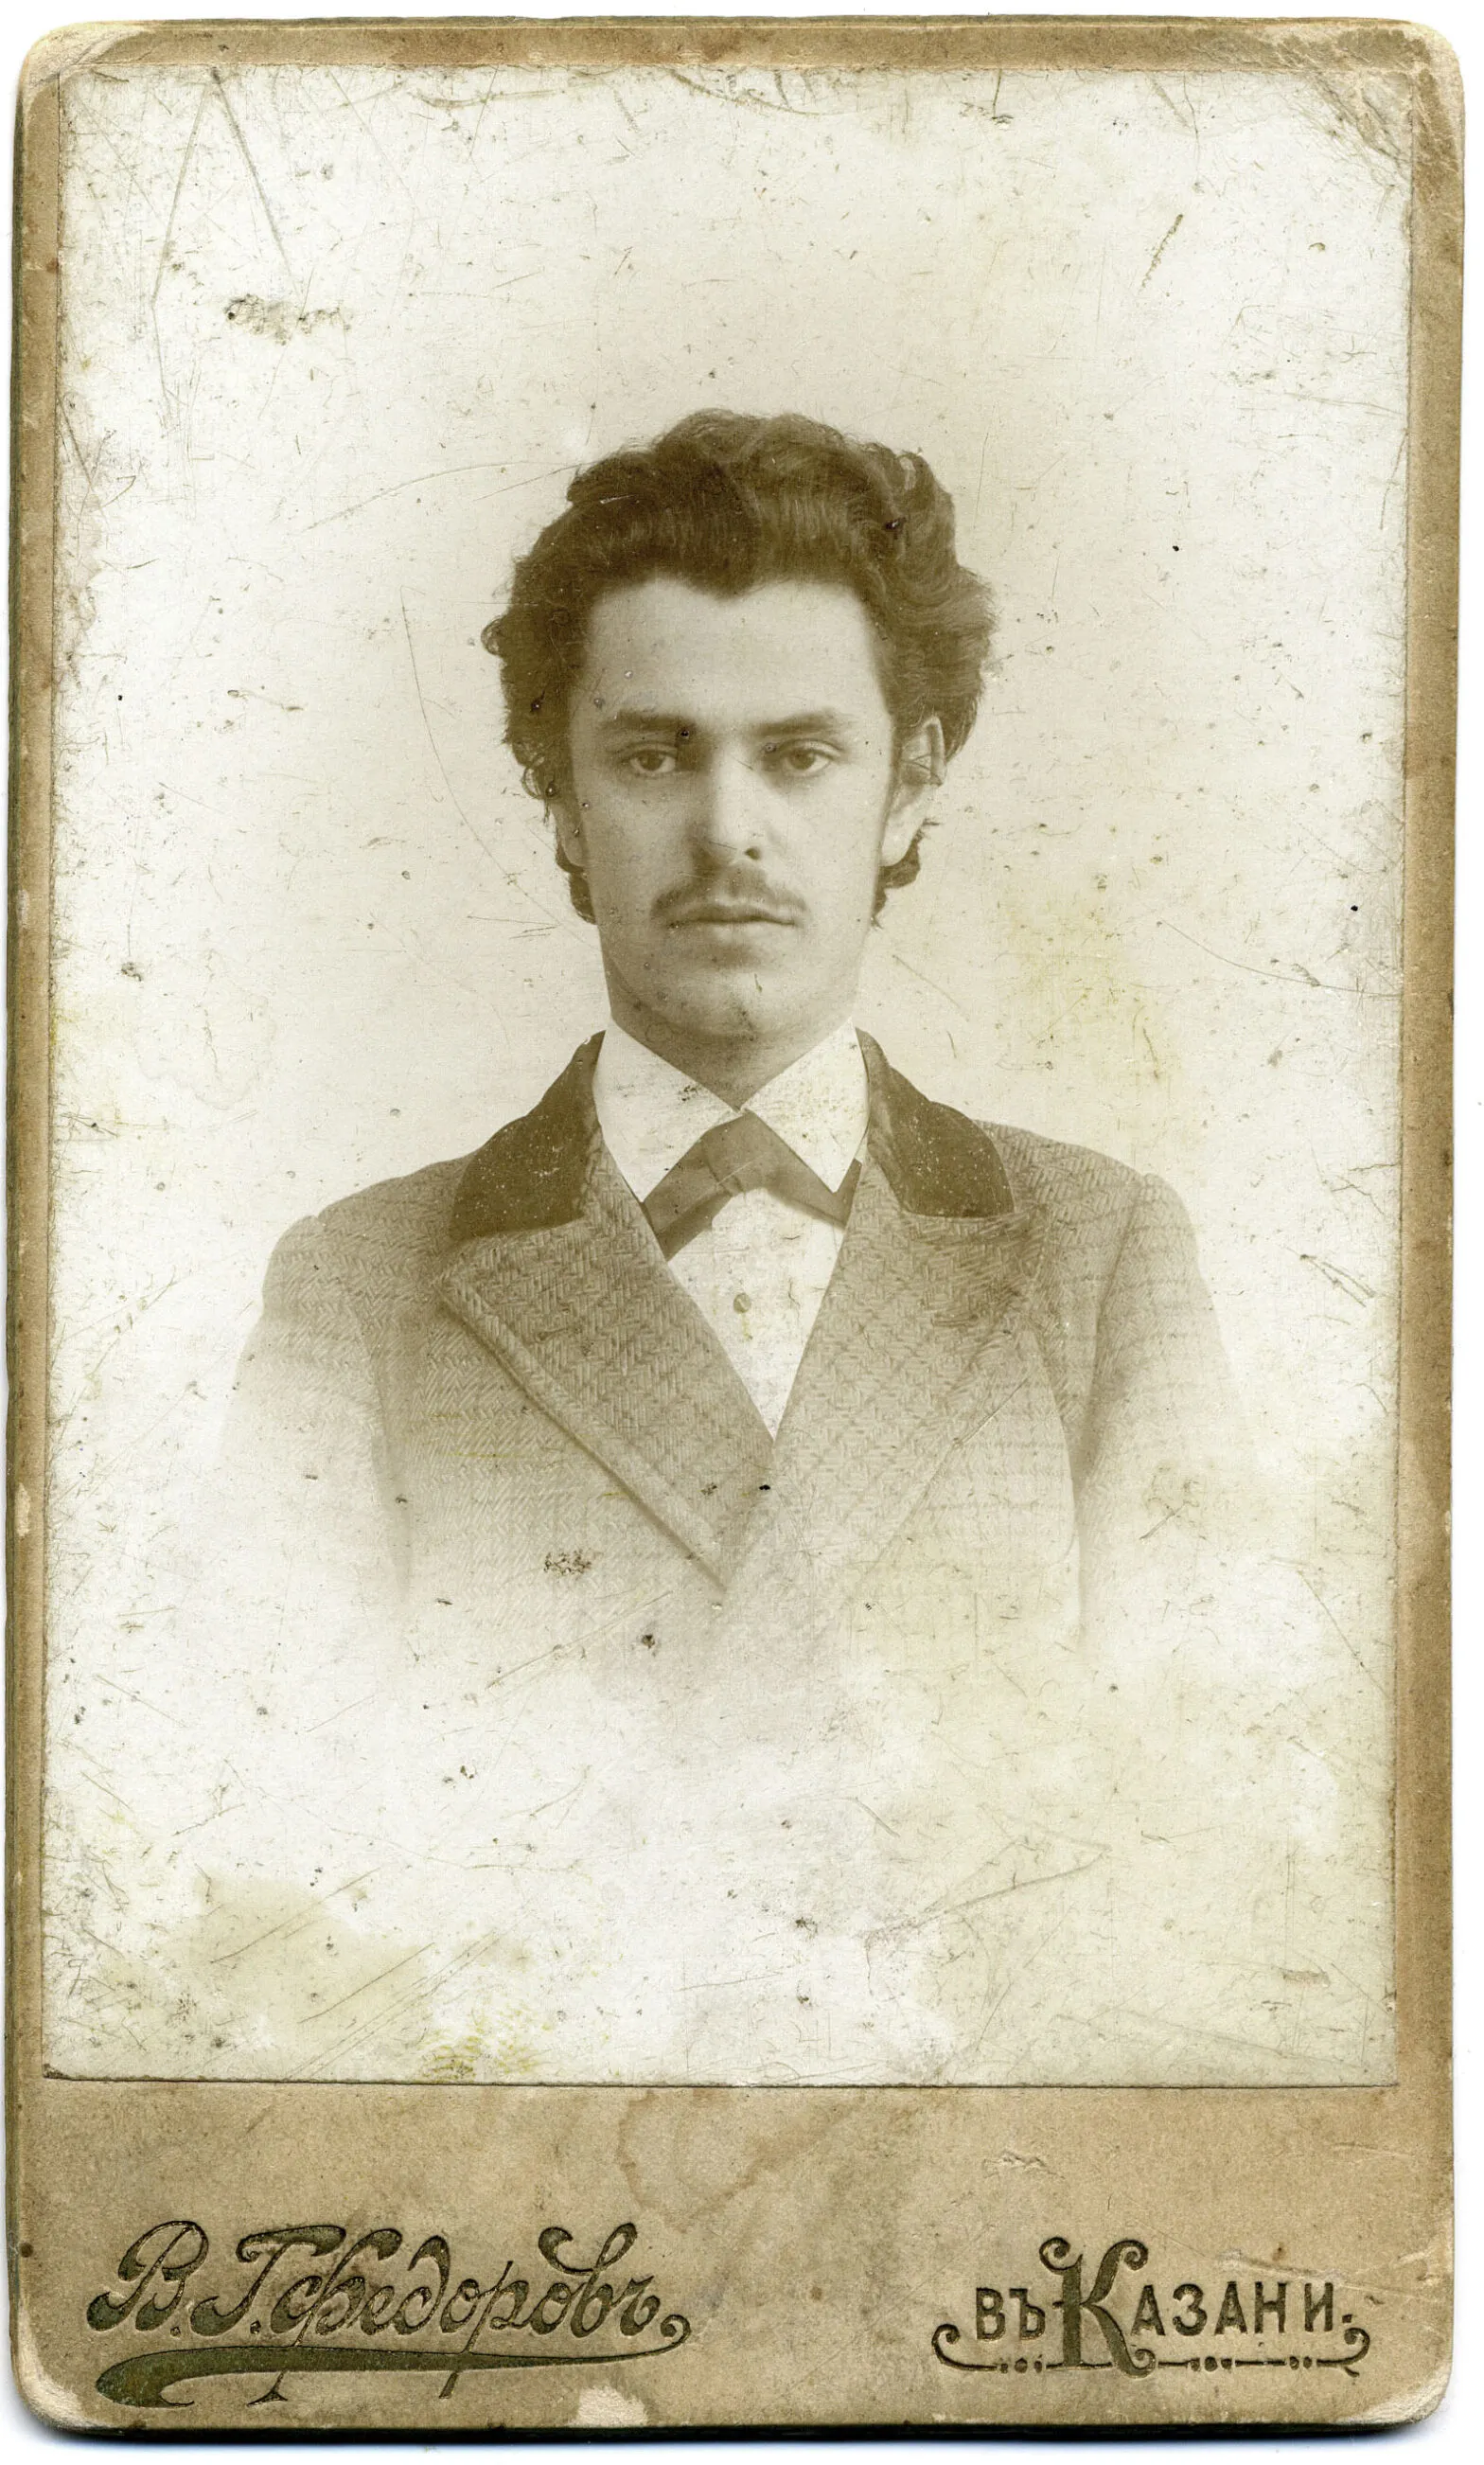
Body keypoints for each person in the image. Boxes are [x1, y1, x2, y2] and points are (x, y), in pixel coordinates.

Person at [198, 415, 1339, 2087]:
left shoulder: (1100, 1261)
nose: (728, 828)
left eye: (800, 756)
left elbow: (1212, 1849)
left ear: (910, 785)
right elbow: (269, 1878)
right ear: (560, 799)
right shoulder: (359, 1290)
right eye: (653, 756)